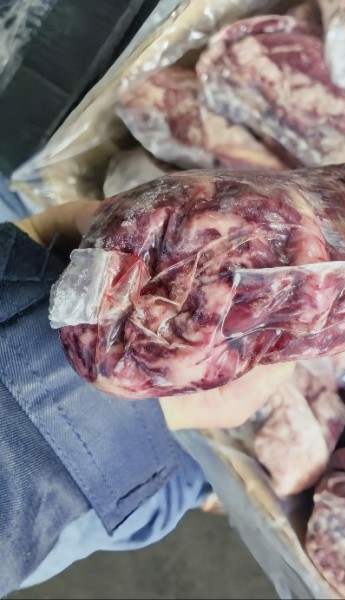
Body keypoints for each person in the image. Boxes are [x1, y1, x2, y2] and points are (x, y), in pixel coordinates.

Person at [1, 198, 291, 594]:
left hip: (56, 474)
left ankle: (200, 486)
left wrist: (20, 255)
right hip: (47, 484)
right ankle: (200, 486)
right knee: (157, 508)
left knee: (154, 509)